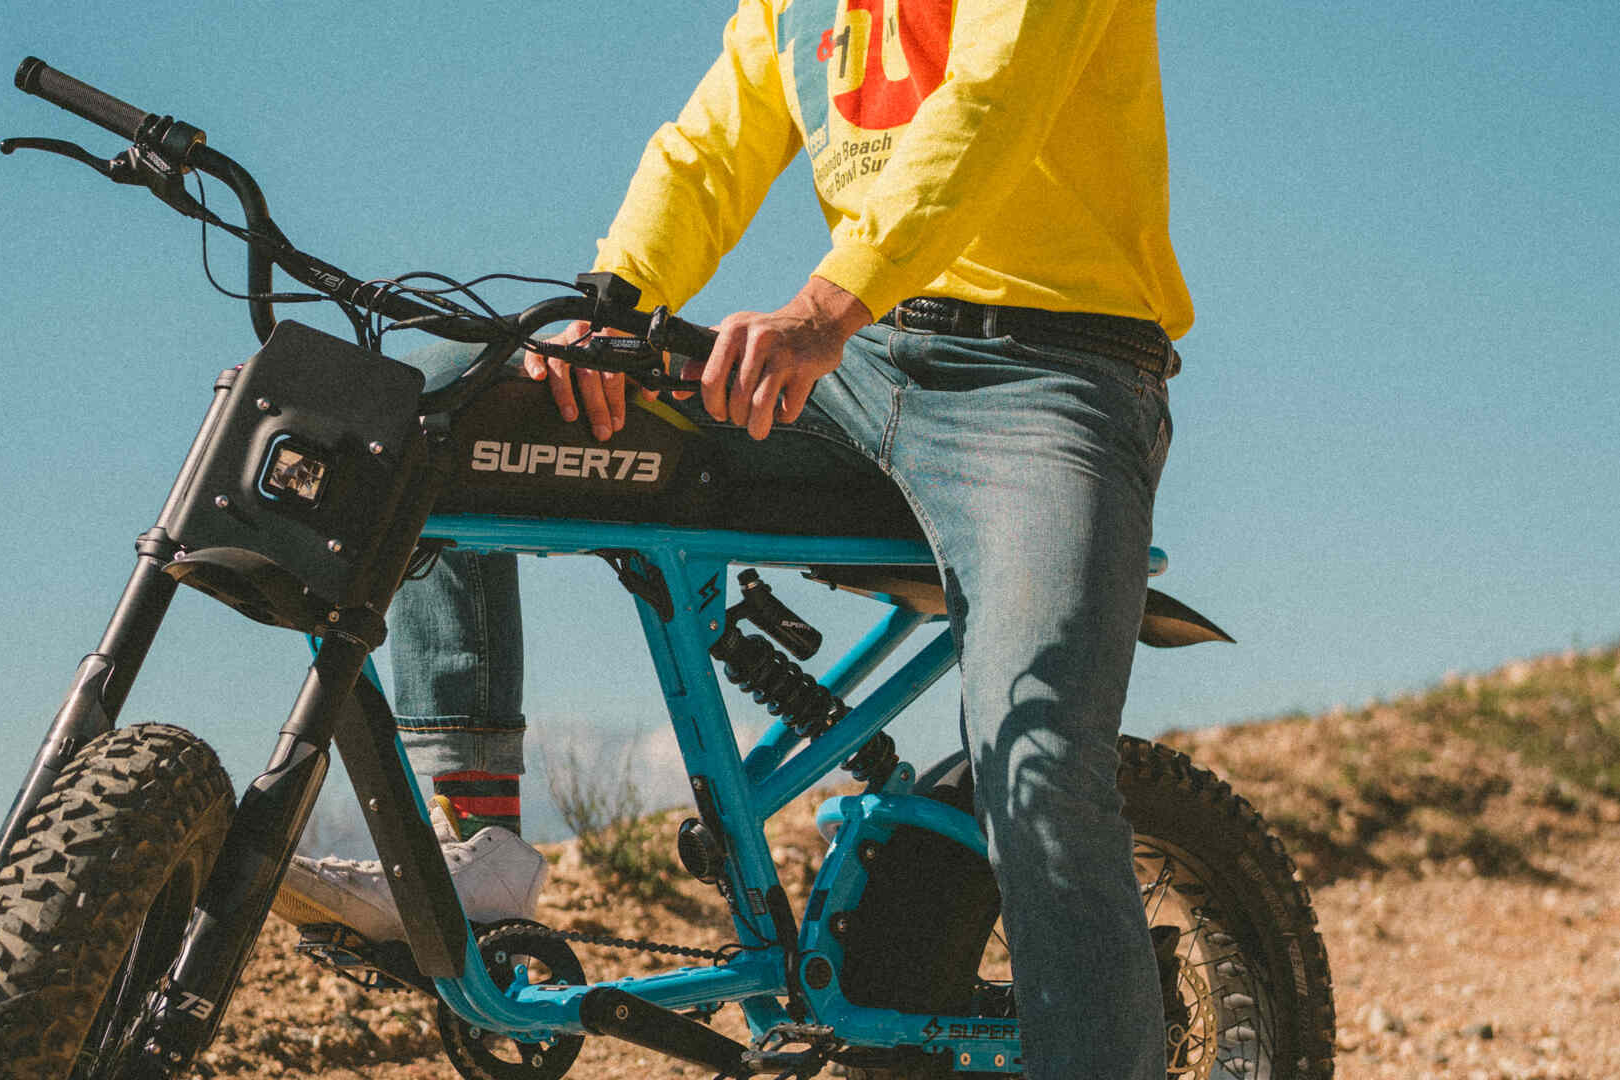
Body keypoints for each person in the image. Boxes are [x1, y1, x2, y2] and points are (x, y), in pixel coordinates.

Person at [278, 0, 1191, 1076]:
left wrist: (824, 307)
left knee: (1040, 774)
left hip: (1050, 377)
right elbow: (709, 148)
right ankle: (475, 843)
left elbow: (989, 105)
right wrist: (614, 306)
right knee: (459, 397)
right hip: (864, 363)